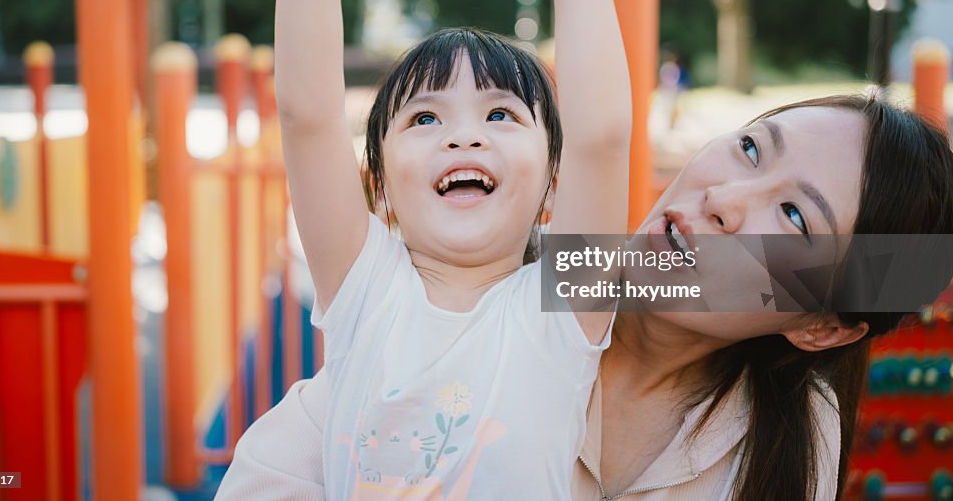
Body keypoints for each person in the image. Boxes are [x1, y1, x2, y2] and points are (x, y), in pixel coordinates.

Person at [218, 90, 953, 501]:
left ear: (823, 327)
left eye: (794, 217)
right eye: (752, 147)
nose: (726, 196)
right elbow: (280, 471)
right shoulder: (497, 276)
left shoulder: (794, 435)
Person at [269, 0, 628, 499]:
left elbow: (599, 140)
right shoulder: (365, 289)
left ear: (553, 188)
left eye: (500, 115)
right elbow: (308, 116)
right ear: (379, 188)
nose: (464, 138)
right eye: (426, 117)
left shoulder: (562, 311)